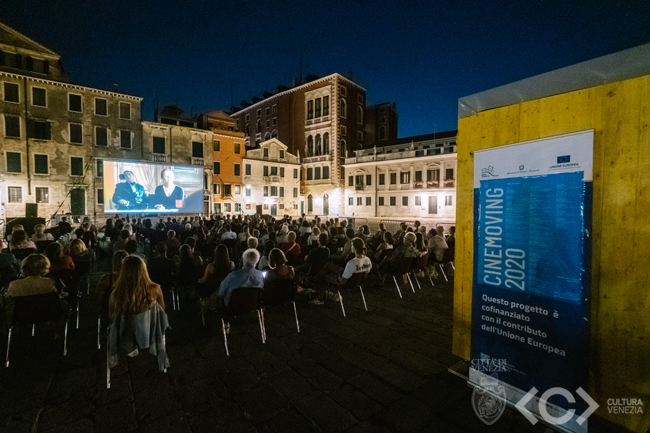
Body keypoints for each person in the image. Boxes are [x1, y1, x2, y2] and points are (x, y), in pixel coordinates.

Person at [5, 254, 68, 338]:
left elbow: (7, 298)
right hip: (49, 313)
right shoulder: (52, 283)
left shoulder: (14, 285)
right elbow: (60, 296)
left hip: (22, 316)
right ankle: (59, 333)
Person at [309, 238, 371, 305]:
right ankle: (318, 284)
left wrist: (337, 275)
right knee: (329, 265)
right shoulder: (367, 260)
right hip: (356, 281)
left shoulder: (351, 262)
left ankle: (319, 297)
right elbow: (365, 274)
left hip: (346, 282)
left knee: (325, 276)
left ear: (354, 247)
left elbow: (342, 282)